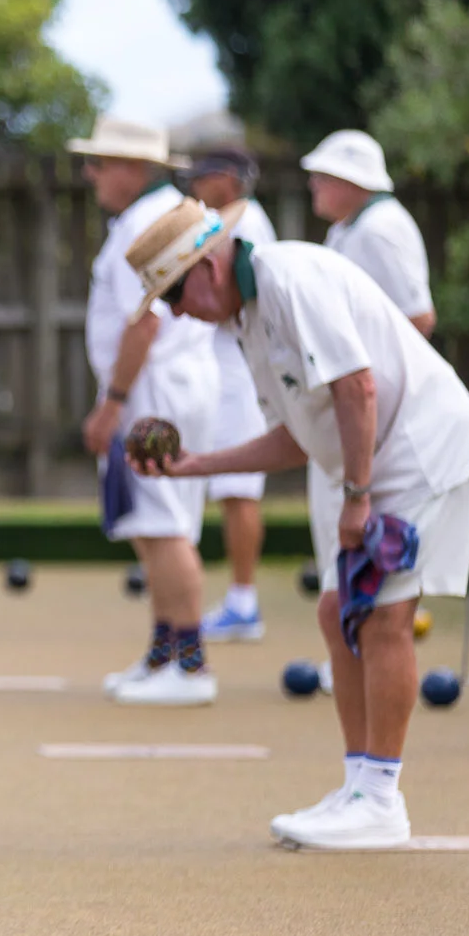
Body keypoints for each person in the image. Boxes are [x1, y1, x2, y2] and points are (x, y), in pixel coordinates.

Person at [129, 199, 469, 848]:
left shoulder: (288, 279)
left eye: (174, 293)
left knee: (383, 618)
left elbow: (358, 387)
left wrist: (356, 495)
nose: (175, 312)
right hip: (380, 460)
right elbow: (297, 438)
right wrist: (195, 466)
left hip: (418, 450)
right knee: (336, 613)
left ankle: (380, 798)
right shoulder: (247, 319)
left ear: (208, 267)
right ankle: (360, 786)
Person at [68, 118, 221, 706]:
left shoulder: (147, 221)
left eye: (100, 162)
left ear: (132, 169)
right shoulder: (155, 214)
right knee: (154, 524)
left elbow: (145, 319)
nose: (91, 173)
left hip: (155, 390)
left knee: (164, 523)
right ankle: (165, 653)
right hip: (164, 385)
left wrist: (112, 404)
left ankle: (191, 665)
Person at [183, 149, 280, 643]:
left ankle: (244, 601)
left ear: (224, 179)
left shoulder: (248, 225)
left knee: (240, 489)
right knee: (230, 490)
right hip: (228, 373)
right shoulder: (228, 219)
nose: (192, 186)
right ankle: (241, 599)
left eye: (198, 177)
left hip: (243, 377)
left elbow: (242, 301)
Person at [302, 131, 435, 338]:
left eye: (321, 177)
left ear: (348, 179)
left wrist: (371, 368)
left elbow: (419, 318)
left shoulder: (379, 229)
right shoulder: (350, 225)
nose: (312, 184)